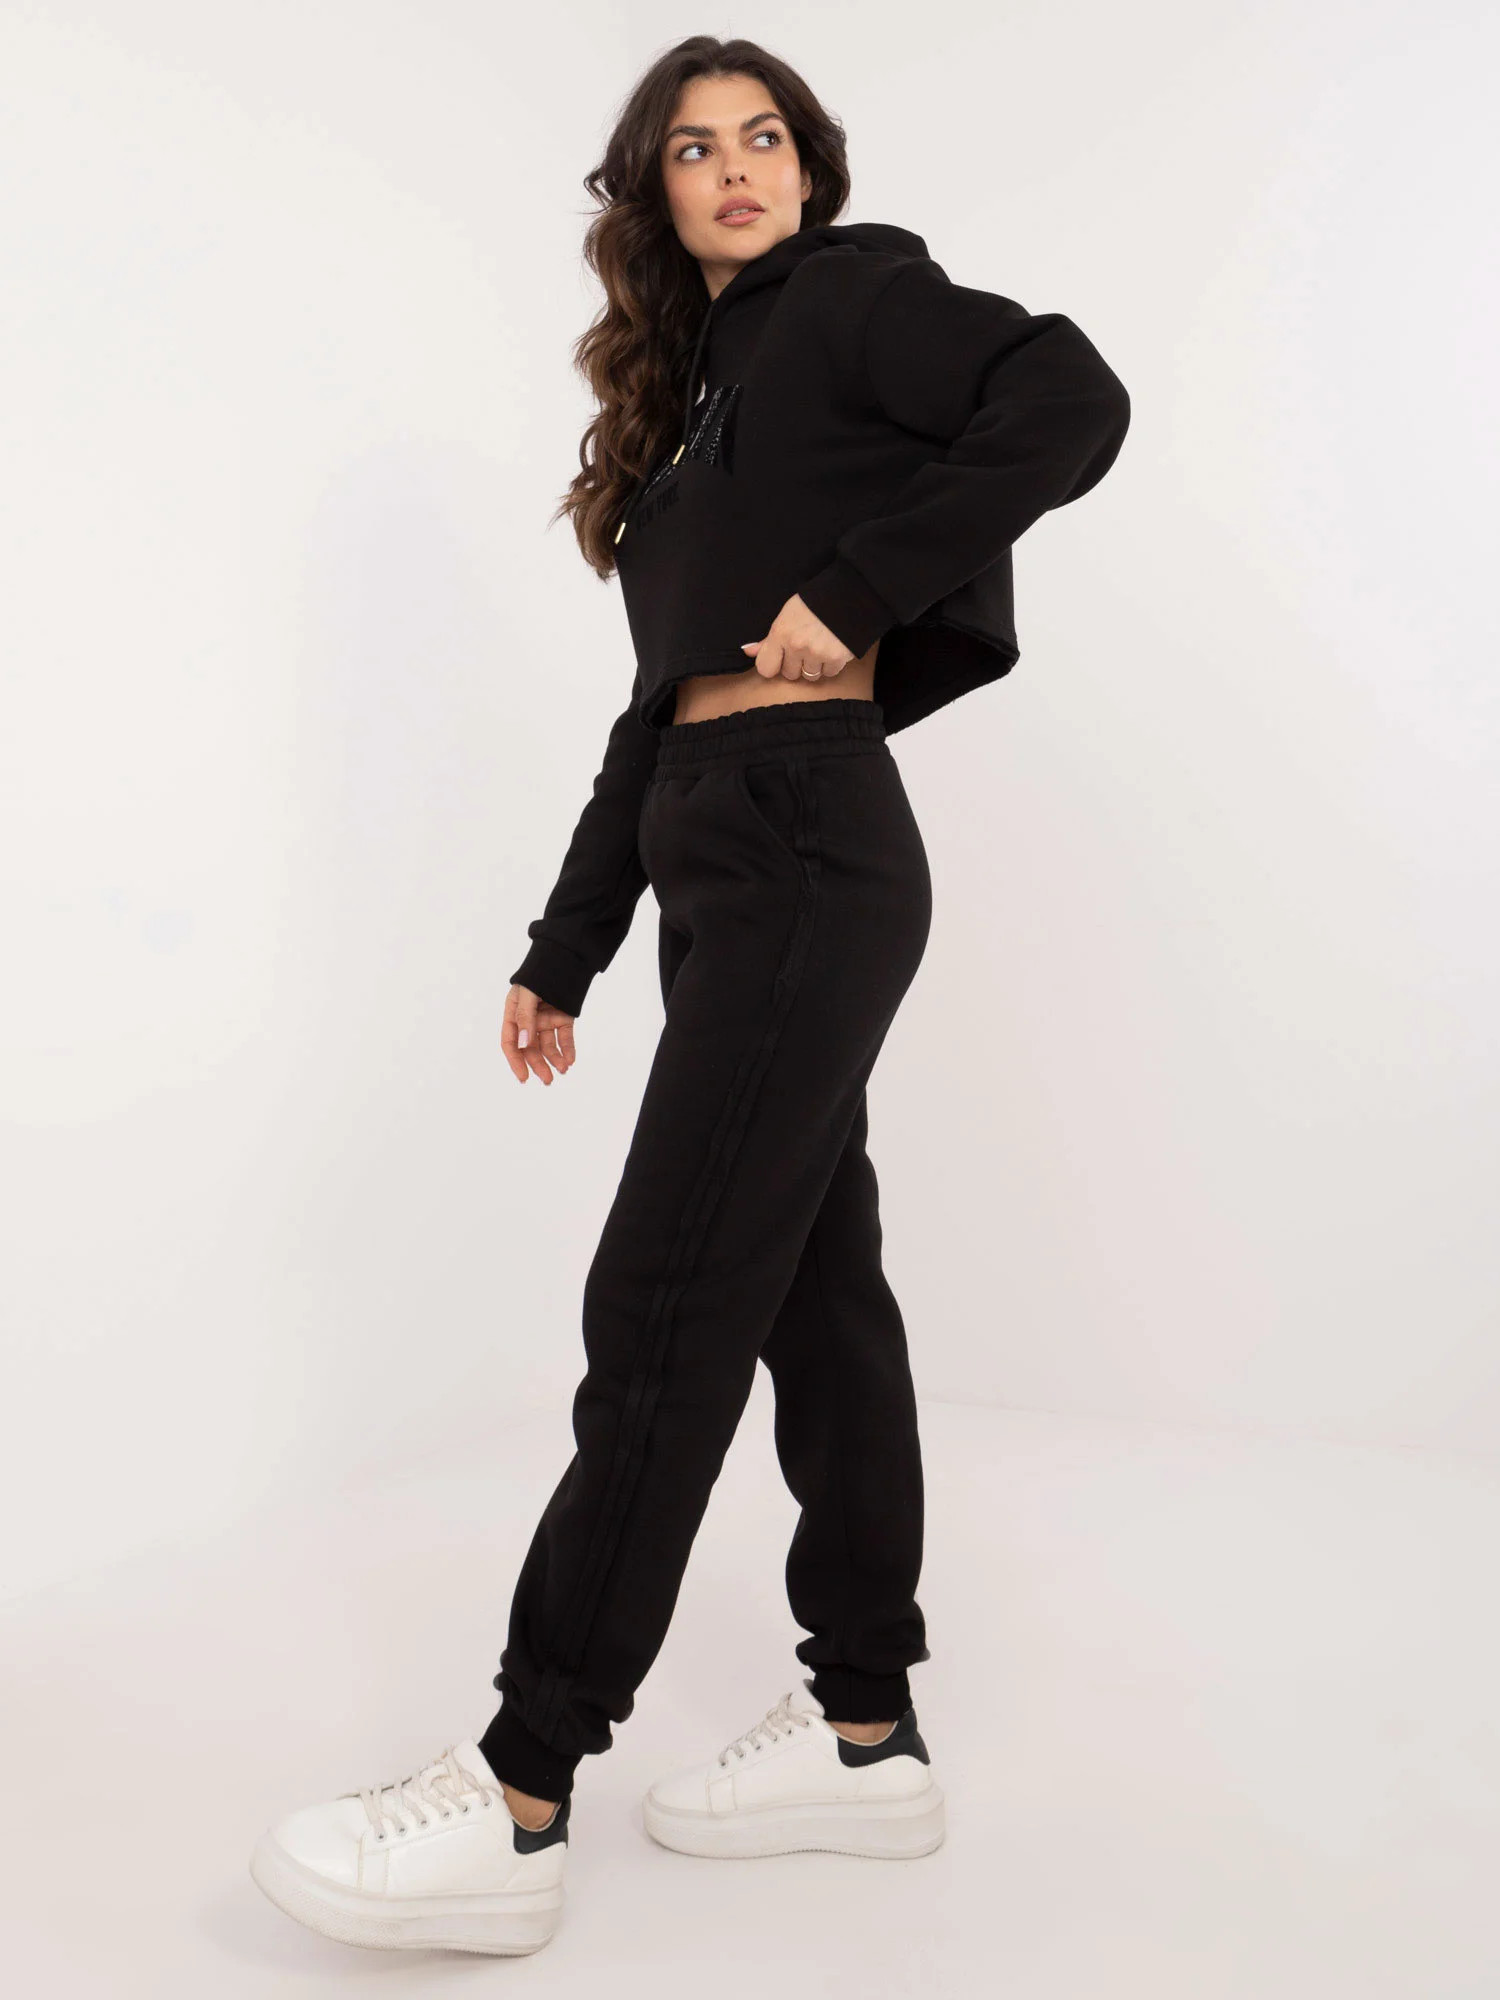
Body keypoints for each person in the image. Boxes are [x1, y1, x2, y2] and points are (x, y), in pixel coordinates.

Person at [249, 35, 1130, 1957]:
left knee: (663, 1304)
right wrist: (563, 944)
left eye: (765, 137)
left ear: (810, 165)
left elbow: (1072, 393)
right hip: (727, 847)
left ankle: (519, 1791)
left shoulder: (855, 300)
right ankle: (867, 1738)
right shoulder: (694, 407)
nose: (737, 168)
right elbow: (656, 712)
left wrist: (869, 585)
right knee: (814, 1298)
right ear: (649, 194)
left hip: (809, 835)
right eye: (692, 149)